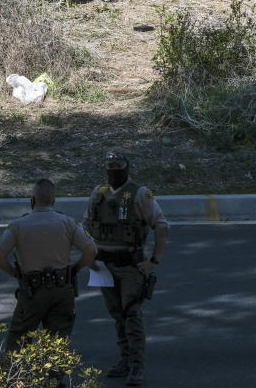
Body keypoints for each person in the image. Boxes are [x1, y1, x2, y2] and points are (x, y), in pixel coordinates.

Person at [83, 152, 169, 387]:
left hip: (130, 264)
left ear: (126, 167)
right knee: (117, 314)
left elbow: (161, 225)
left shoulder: (142, 193)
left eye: (118, 166)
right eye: (110, 166)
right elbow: (86, 227)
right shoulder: (97, 193)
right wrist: (89, 257)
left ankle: (137, 365)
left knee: (131, 313)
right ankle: (125, 359)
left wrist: (154, 260)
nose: (113, 170)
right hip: (103, 264)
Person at [0, 178, 98, 353]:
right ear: (53, 201)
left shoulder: (18, 225)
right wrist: (76, 268)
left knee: (19, 341)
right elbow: (91, 250)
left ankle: (17, 379)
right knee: (57, 343)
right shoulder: (68, 222)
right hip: (62, 289)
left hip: (32, 291)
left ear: (32, 200)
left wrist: (13, 272)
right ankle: (55, 380)